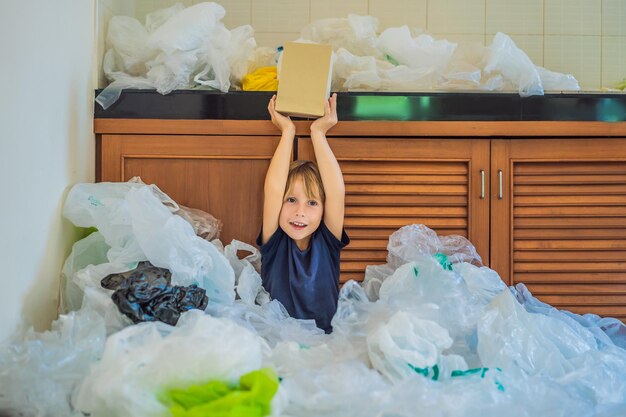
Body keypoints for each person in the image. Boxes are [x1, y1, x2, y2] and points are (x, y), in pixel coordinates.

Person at [257, 93, 350, 333]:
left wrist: (318, 133)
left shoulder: (327, 241)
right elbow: (274, 188)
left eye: (312, 203)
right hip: (278, 341)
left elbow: (336, 191)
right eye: (291, 200)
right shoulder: (275, 241)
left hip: (325, 342)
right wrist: (287, 131)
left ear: (323, 210)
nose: (300, 212)